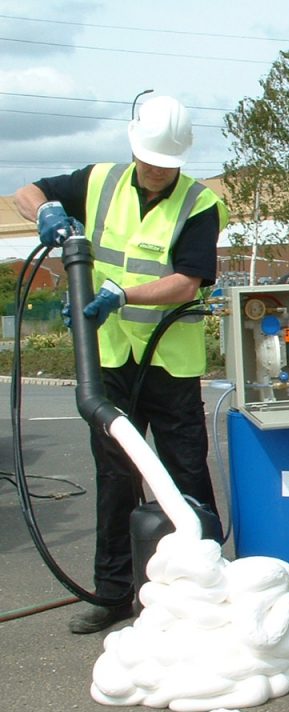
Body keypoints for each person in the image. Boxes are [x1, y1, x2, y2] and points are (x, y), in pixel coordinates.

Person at [14, 95, 229, 634]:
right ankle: (114, 593)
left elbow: (187, 279)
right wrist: (44, 210)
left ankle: (210, 586)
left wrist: (123, 293)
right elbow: (26, 191)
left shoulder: (200, 204)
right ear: (135, 148)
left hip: (169, 363)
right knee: (115, 478)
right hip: (109, 358)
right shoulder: (100, 181)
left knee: (185, 473)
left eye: (167, 162)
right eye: (150, 158)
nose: (158, 169)